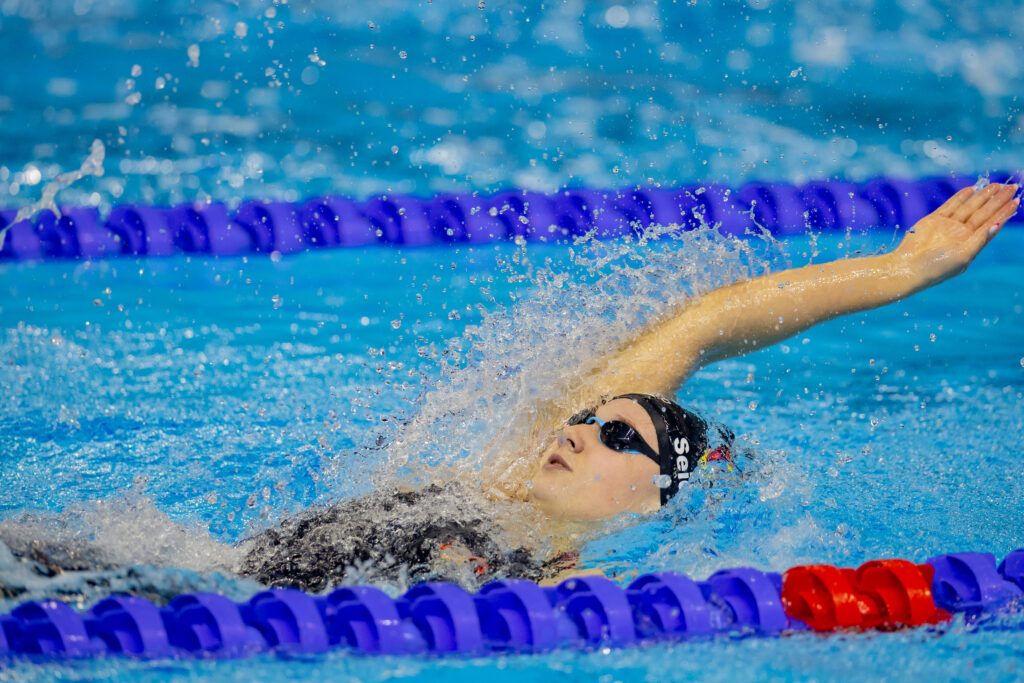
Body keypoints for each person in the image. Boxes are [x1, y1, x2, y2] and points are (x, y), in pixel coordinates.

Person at [3, 182, 1018, 596]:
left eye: (617, 439)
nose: (582, 428)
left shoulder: (573, 580)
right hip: (165, 568)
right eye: (589, 417)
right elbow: (702, 323)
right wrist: (898, 271)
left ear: (660, 496)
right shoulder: (497, 481)